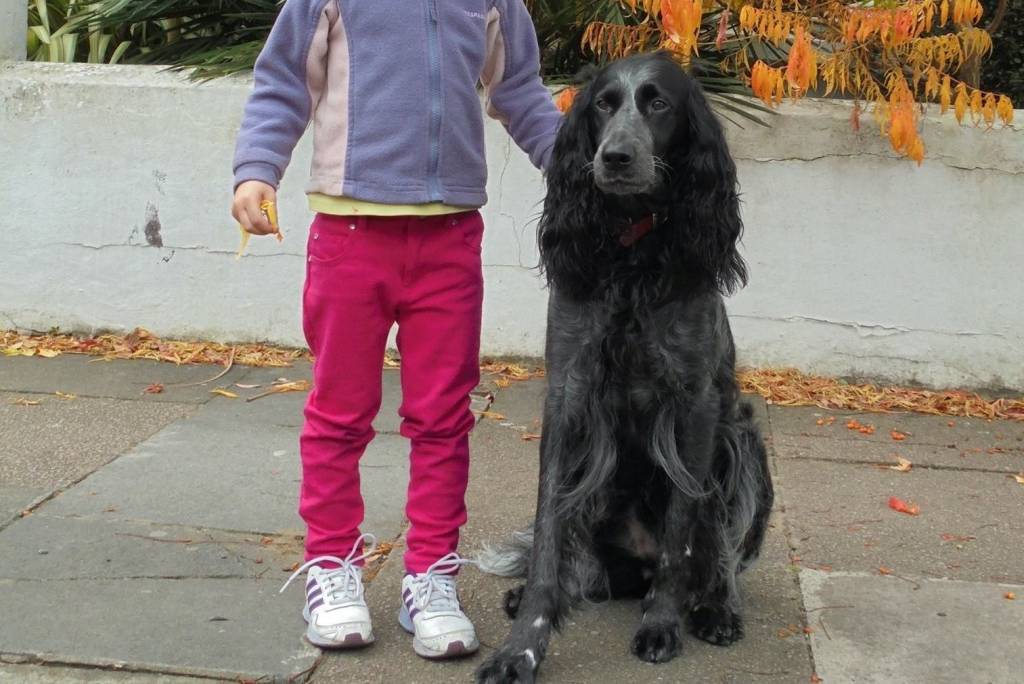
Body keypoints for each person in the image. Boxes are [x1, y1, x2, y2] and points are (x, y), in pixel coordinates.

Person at [231, 0, 561, 660]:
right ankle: (332, 564)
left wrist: (579, 169)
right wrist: (257, 170)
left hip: (450, 238)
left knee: (443, 417)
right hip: (349, 236)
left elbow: (520, 89)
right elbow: (284, 81)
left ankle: (431, 573)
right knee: (339, 411)